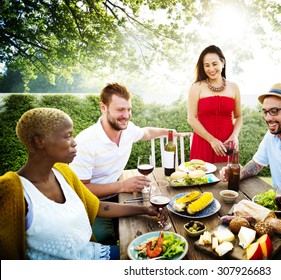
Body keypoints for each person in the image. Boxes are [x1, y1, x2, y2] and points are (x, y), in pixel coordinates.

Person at [0, 108, 159, 260]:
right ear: (39, 141)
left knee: (160, 258)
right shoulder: (10, 191)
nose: (74, 142)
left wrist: (145, 209)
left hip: (98, 255)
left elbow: (96, 206)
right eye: (67, 136)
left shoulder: (64, 173)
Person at [69, 82, 187, 245]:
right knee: (104, 237)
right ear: (103, 108)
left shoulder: (128, 129)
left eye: (128, 109)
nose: (126, 115)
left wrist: (168, 132)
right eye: (120, 110)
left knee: (157, 218)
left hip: (120, 195)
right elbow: (81, 191)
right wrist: (122, 186)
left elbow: (146, 132)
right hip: (93, 202)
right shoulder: (85, 142)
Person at [187, 45, 242, 163]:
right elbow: (191, 119)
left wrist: (234, 136)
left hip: (226, 144)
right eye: (207, 65)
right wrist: (212, 140)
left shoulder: (234, 87)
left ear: (223, 62)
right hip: (203, 142)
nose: (211, 69)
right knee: (201, 178)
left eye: (214, 64)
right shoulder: (197, 87)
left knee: (227, 178)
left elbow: (238, 116)